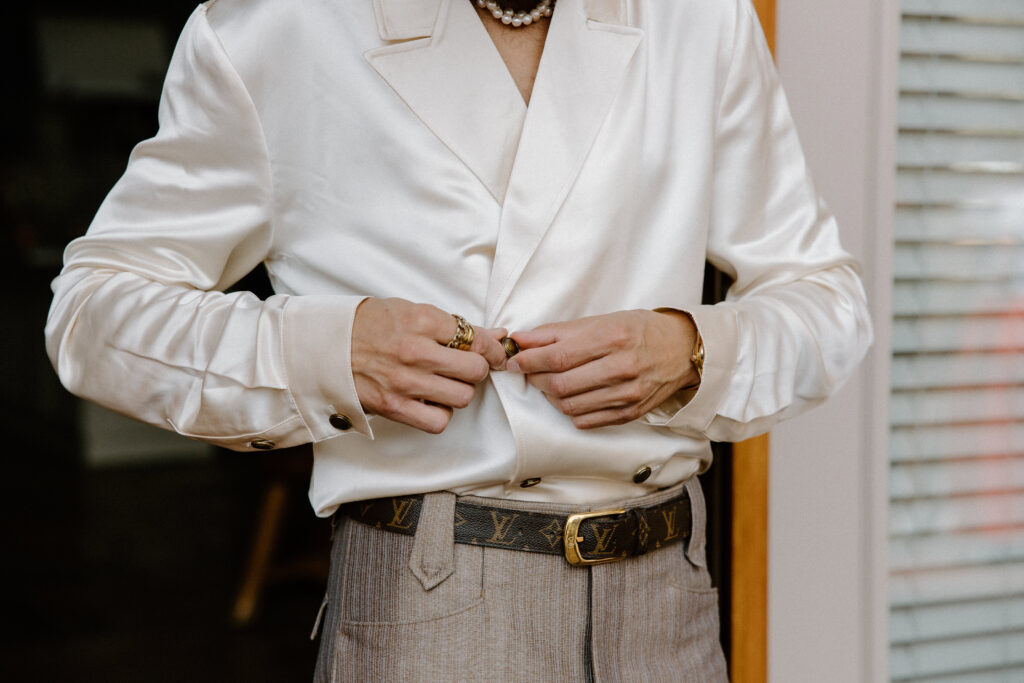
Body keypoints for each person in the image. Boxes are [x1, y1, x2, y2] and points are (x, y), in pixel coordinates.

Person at [45, 0, 873, 679]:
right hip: (430, 602)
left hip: (668, 606)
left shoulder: (701, 21)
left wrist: (695, 351)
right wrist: (326, 352)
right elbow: (93, 313)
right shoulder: (274, 29)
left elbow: (828, 303)